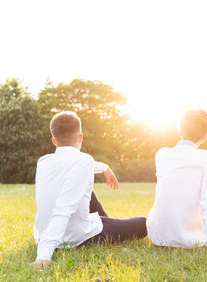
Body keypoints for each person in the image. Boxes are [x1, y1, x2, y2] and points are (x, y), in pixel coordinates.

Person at [30, 111, 147, 269]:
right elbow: (63, 210)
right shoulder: (83, 160)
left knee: (88, 192)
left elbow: (71, 164)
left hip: (42, 234)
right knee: (143, 223)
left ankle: (109, 226)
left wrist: (104, 168)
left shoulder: (43, 162)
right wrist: (43, 255)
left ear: (53, 140)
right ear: (80, 137)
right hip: (75, 238)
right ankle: (109, 232)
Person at [147, 109, 207, 250]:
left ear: (180, 130)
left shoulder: (161, 155)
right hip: (189, 239)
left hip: (158, 236)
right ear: (204, 136)